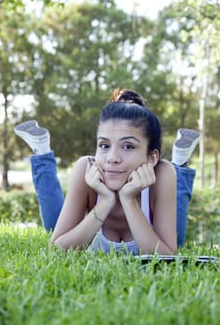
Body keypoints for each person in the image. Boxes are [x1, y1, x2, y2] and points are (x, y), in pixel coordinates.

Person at [14, 89, 199, 254]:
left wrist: (128, 200)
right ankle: (42, 149)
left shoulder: (162, 173)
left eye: (127, 146)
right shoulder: (86, 168)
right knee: (54, 225)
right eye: (104, 145)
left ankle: (180, 163)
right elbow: (56, 249)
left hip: (159, 180)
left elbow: (165, 254)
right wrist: (105, 202)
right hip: (90, 206)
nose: (112, 158)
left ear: (151, 157)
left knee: (178, 239)